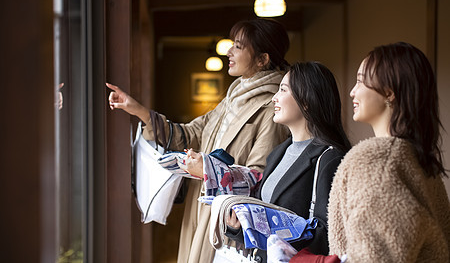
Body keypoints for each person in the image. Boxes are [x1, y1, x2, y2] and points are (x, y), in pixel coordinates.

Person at [106, 18, 291, 263]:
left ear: (262, 59)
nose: (229, 51)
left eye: (238, 46)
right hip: (201, 208)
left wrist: (206, 168)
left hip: (228, 221)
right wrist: (138, 110)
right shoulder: (232, 99)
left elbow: (259, 178)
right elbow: (189, 134)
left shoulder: (270, 109)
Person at [289, 42, 450, 262]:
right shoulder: (420, 160)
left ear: (389, 92)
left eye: (361, 80)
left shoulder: (377, 161)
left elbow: (374, 258)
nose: (352, 91)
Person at [211, 61, 351, 263]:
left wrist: (279, 236)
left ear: (306, 101)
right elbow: (264, 228)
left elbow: (329, 233)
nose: (274, 98)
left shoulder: (329, 158)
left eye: (283, 90)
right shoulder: (278, 153)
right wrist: (238, 227)